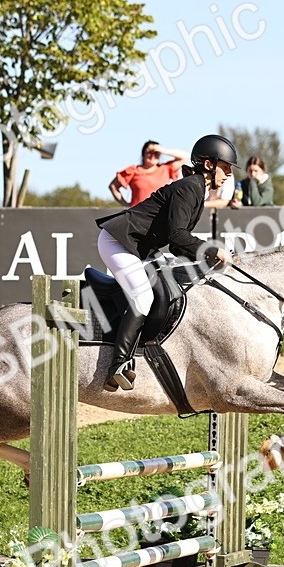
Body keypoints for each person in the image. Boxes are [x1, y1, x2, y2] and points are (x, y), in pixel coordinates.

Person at [94, 134, 235, 392]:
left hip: (139, 246)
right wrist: (211, 249)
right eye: (225, 168)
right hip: (118, 242)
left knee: (169, 284)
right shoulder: (190, 187)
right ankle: (118, 365)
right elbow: (177, 236)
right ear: (208, 165)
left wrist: (207, 259)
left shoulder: (197, 189)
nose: (227, 175)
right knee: (143, 297)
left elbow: (179, 244)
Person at [108, 141, 188, 207]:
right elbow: (113, 186)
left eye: (156, 153)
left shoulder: (166, 168)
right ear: (143, 154)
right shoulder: (133, 170)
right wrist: (126, 205)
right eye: (149, 152)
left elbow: (185, 157)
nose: (153, 156)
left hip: (160, 213)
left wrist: (163, 151)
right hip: (138, 215)